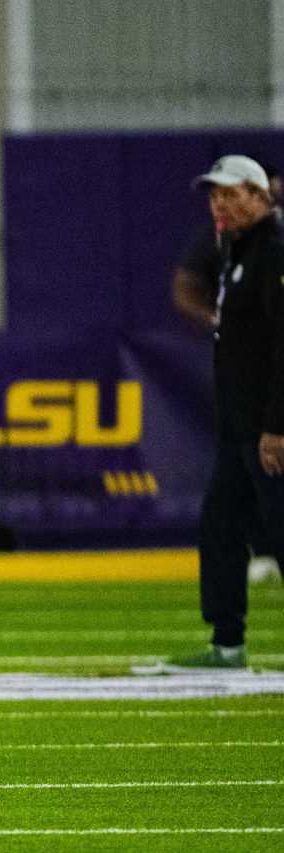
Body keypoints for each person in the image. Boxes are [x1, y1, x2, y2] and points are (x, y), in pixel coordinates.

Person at [170, 155, 284, 667]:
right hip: (239, 425)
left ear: (260, 197)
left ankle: (228, 640)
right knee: (221, 525)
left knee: (280, 530)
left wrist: (277, 426)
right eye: (214, 195)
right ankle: (227, 642)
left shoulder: (275, 250)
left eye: (230, 193)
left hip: (267, 425)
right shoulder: (236, 250)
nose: (220, 203)